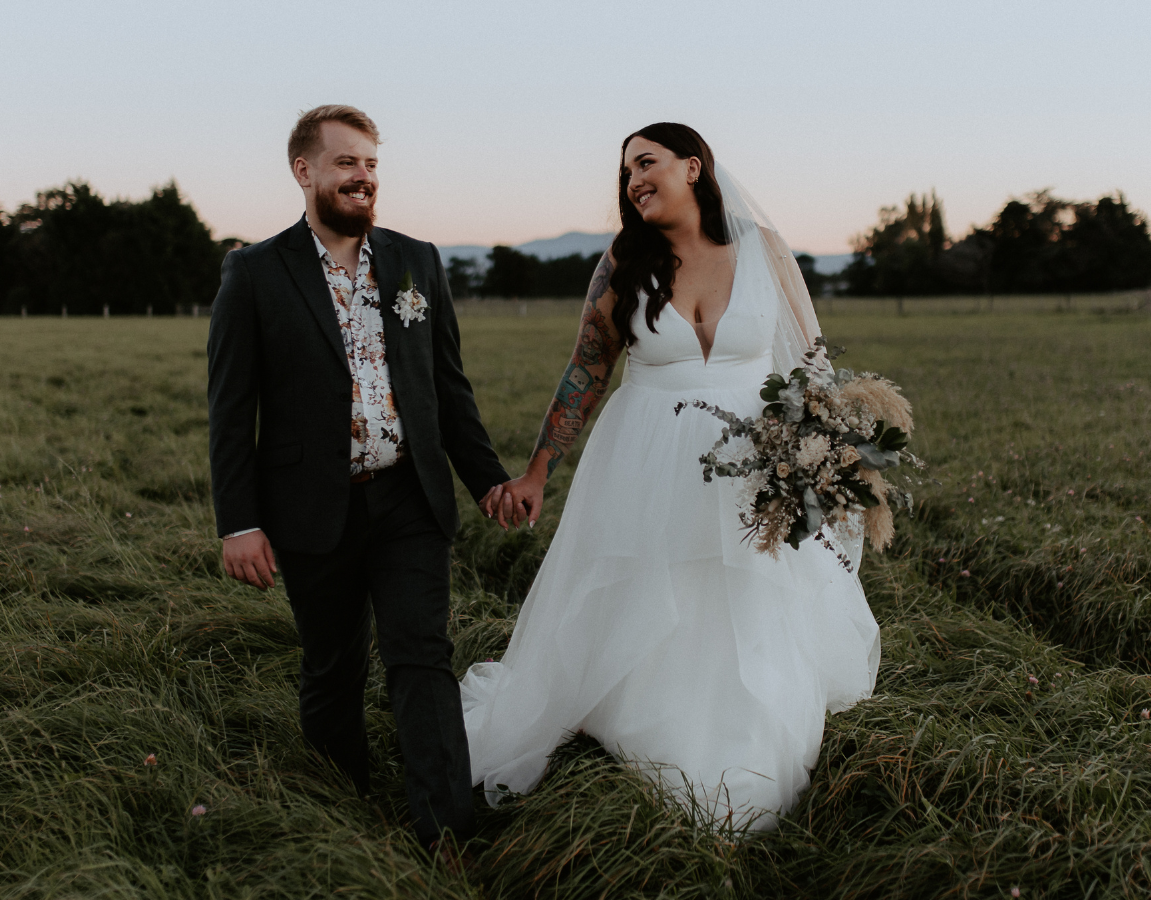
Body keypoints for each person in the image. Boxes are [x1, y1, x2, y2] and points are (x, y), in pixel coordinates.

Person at [463, 123, 881, 830]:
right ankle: (638, 712)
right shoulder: (626, 259)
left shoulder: (763, 251)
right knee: (651, 588)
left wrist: (820, 448)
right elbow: (586, 369)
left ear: (694, 168)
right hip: (645, 457)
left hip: (754, 459)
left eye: (645, 163)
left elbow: (810, 361)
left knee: (741, 595)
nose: (632, 181)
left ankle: (733, 730)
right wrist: (538, 471)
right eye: (626, 172)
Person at [206, 104, 511, 850]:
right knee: (333, 666)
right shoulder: (255, 272)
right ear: (304, 171)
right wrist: (239, 523)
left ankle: (448, 835)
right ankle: (339, 814)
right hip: (312, 507)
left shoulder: (417, 262)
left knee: (422, 659)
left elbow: (449, 388)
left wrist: (487, 481)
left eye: (371, 164)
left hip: (409, 497)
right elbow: (230, 408)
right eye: (347, 163)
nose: (363, 177)